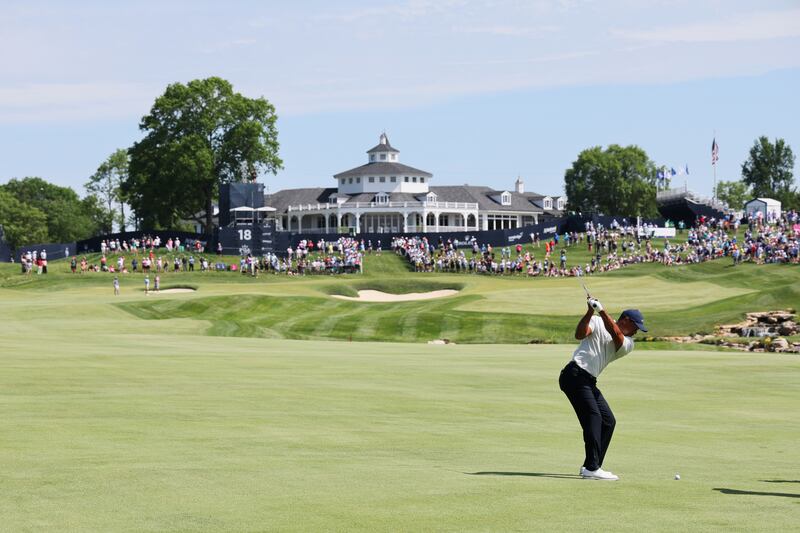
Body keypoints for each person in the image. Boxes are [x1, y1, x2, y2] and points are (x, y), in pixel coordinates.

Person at [558, 298, 647, 480]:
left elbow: (615, 334)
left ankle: (592, 466)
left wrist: (601, 310)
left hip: (588, 380)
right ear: (626, 320)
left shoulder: (628, 343)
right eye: (636, 326)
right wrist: (590, 312)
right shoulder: (597, 321)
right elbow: (580, 334)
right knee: (594, 417)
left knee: (608, 421)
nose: (637, 331)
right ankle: (592, 467)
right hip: (574, 375)